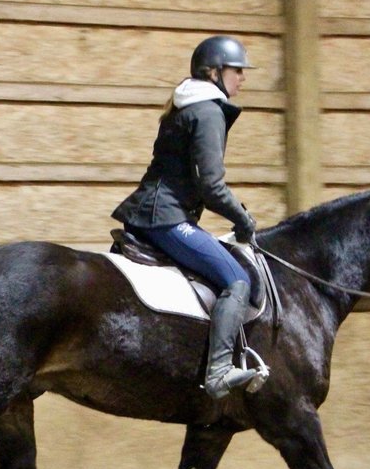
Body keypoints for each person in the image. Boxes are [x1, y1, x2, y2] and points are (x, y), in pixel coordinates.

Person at [112, 34, 261, 399]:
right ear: (214, 72)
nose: (242, 77)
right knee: (237, 281)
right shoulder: (208, 110)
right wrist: (242, 220)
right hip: (165, 219)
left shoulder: (186, 104)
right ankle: (219, 371)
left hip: (147, 213)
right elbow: (211, 185)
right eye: (237, 70)